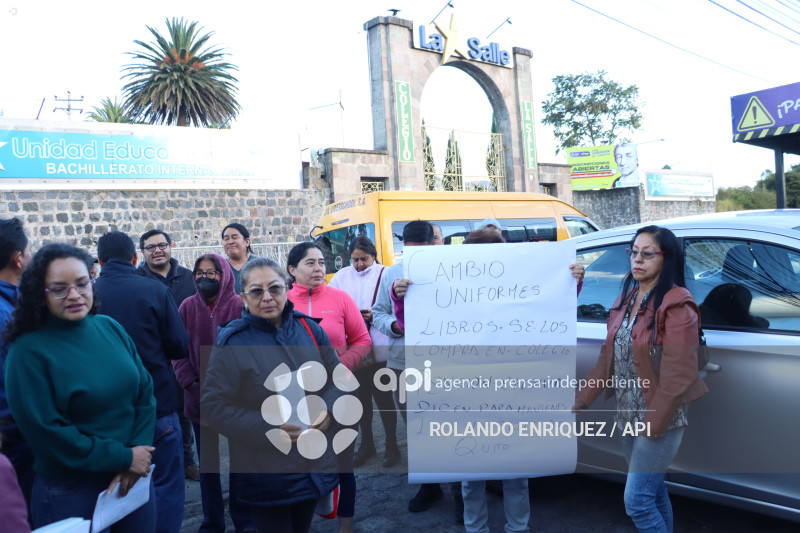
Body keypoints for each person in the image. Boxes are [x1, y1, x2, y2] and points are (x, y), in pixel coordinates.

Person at [4, 243, 156, 531]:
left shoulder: (109, 327)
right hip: (72, 492)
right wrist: (124, 456)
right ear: (40, 293)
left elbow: (144, 393)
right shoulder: (27, 353)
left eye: (82, 283)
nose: (74, 295)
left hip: (133, 479)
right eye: (59, 288)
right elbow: (48, 433)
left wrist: (138, 452)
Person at [573, 225, 708, 532]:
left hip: (659, 415)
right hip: (628, 411)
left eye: (648, 254)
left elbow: (679, 374)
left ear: (666, 258)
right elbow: (608, 359)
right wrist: (579, 401)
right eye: (634, 252)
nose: (638, 260)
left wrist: (653, 421)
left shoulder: (677, 303)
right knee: (653, 491)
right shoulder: (628, 296)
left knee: (637, 501)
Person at [200, 257, 343, 533]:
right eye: (256, 291)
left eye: (275, 289)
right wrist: (269, 428)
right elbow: (214, 407)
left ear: (286, 289)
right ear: (244, 298)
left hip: (312, 467)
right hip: (266, 474)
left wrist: (328, 409)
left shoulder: (309, 329)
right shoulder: (232, 342)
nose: (267, 297)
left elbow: (339, 381)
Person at [94, 231, 190, 533]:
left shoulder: (86, 295)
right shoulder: (154, 291)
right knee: (166, 486)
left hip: (104, 413)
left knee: (115, 490)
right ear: (135, 258)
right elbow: (179, 346)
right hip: (158, 406)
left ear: (99, 261)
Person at [371, 220, 464, 517]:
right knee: (416, 426)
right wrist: (395, 326)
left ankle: (463, 491)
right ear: (403, 247)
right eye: (411, 250)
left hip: (447, 362)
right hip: (404, 362)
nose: (417, 255)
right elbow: (377, 313)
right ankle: (429, 485)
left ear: (435, 244)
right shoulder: (392, 273)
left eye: (423, 249)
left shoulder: (454, 269)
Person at [286, 242, 371, 533]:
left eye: (322, 262)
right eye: (310, 263)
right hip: (297, 398)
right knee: (300, 464)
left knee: (344, 465)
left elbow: (362, 340)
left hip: (341, 393)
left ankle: (345, 528)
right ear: (292, 270)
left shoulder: (341, 298)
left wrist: (340, 366)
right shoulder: (281, 303)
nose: (318, 268)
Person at [173, 254, 257, 533]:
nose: (205, 278)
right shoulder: (187, 307)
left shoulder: (239, 305)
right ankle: (212, 523)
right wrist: (190, 382)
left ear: (224, 275)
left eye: (212, 273)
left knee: (240, 466)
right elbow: (178, 351)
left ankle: (244, 520)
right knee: (209, 468)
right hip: (199, 401)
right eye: (200, 273)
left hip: (235, 403)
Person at [328, 237, 400, 468]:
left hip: (380, 350)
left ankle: (392, 446)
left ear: (374, 256)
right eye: (355, 259)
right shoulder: (341, 277)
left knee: (384, 401)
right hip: (355, 351)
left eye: (364, 259)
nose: (359, 264)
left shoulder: (386, 274)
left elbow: (396, 307)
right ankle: (366, 444)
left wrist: (374, 315)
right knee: (362, 404)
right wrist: (352, 317)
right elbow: (332, 306)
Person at [137, 228, 200, 481]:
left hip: (184, 354)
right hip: (153, 357)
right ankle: (154, 466)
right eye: (150, 247)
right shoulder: (138, 279)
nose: (157, 250)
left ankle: (188, 461)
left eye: (161, 245)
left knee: (185, 410)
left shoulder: (188, 278)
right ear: (142, 253)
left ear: (170, 246)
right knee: (156, 411)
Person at [0, 218, 34, 515]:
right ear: (18, 259)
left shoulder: (14, 304)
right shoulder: (7, 314)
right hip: (16, 440)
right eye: (30, 250)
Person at [222, 223, 260, 293]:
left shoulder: (260, 266)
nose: (230, 242)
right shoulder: (219, 268)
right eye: (226, 239)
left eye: (234, 237)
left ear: (247, 242)